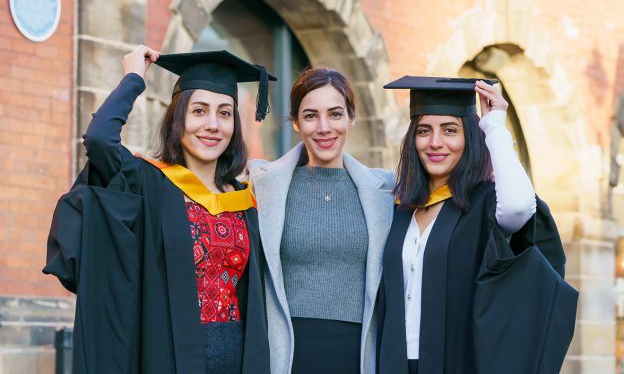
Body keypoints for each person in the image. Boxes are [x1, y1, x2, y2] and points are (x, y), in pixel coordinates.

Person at [43, 45, 275, 374]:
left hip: (237, 360)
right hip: (168, 357)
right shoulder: (148, 183)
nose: (212, 124)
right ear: (178, 119)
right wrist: (134, 77)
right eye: (199, 111)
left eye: (224, 113)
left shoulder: (244, 198)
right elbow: (99, 140)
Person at [376, 76, 578, 374]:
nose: (435, 142)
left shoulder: (482, 205)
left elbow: (519, 207)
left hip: (458, 362)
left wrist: (494, 125)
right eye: (424, 131)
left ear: (469, 137)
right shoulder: (399, 209)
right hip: (395, 363)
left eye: (450, 130)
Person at [248, 68, 395, 374]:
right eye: (311, 115)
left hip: (358, 355)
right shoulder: (261, 185)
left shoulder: (386, 190)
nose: (324, 127)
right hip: (288, 355)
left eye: (335, 114)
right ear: (297, 122)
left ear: (350, 119)